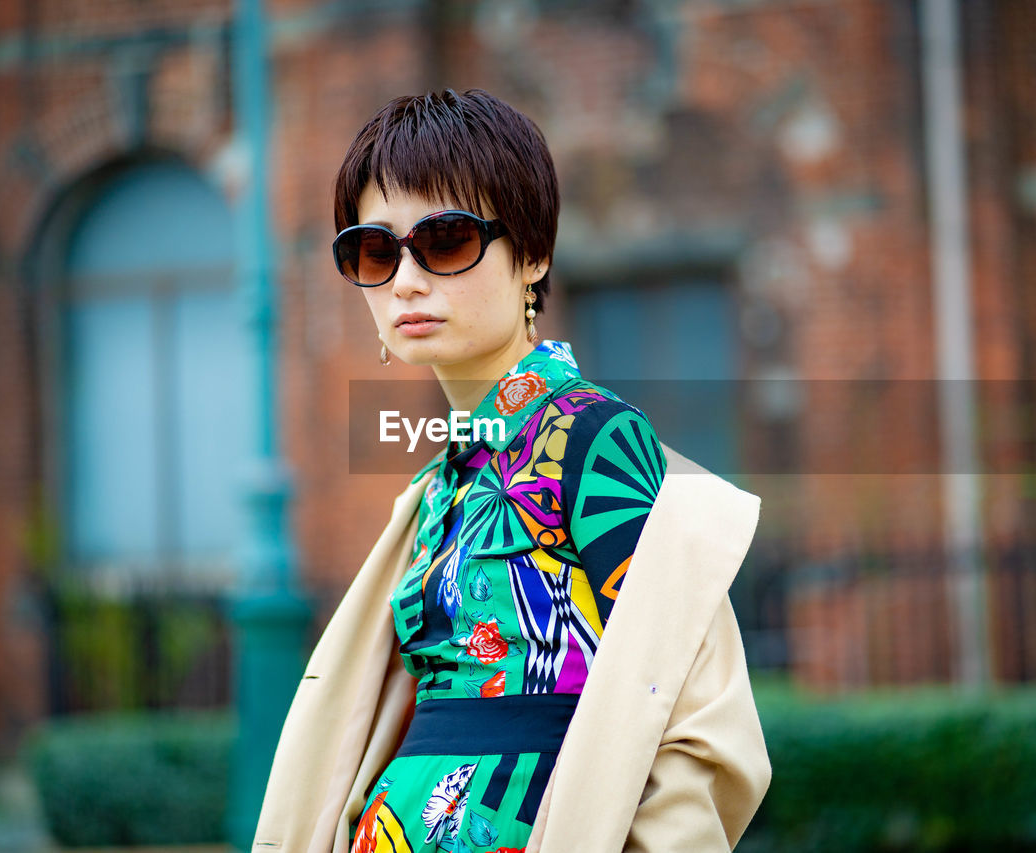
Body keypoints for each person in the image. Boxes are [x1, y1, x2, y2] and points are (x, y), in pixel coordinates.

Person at [252, 88, 770, 853]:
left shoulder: (592, 435)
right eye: (375, 249)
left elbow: (685, 712)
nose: (406, 280)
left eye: (447, 239)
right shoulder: (439, 482)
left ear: (532, 254)